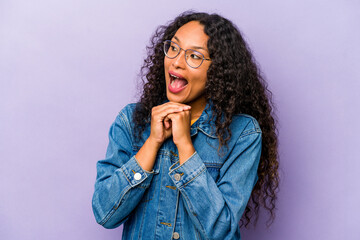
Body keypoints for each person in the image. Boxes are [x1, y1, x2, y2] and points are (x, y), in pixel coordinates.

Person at [92, 11, 279, 240]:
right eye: (173, 48)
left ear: (218, 70)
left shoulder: (243, 134)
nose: (177, 62)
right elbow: (104, 213)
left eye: (194, 56)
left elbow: (222, 232)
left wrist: (184, 145)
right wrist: (152, 142)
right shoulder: (131, 121)